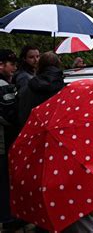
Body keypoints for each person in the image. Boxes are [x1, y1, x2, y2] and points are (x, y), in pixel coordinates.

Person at [17, 52, 65, 128]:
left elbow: (23, 114)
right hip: (55, 130)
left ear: (39, 66)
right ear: (58, 65)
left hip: (33, 130)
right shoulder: (64, 89)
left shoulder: (28, 87)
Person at [0, 49, 20, 230]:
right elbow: (11, 114)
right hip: (3, 141)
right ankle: (6, 217)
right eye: (12, 64)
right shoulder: (4, 86)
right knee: (4, 179)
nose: (15, 68)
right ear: (1, 65)